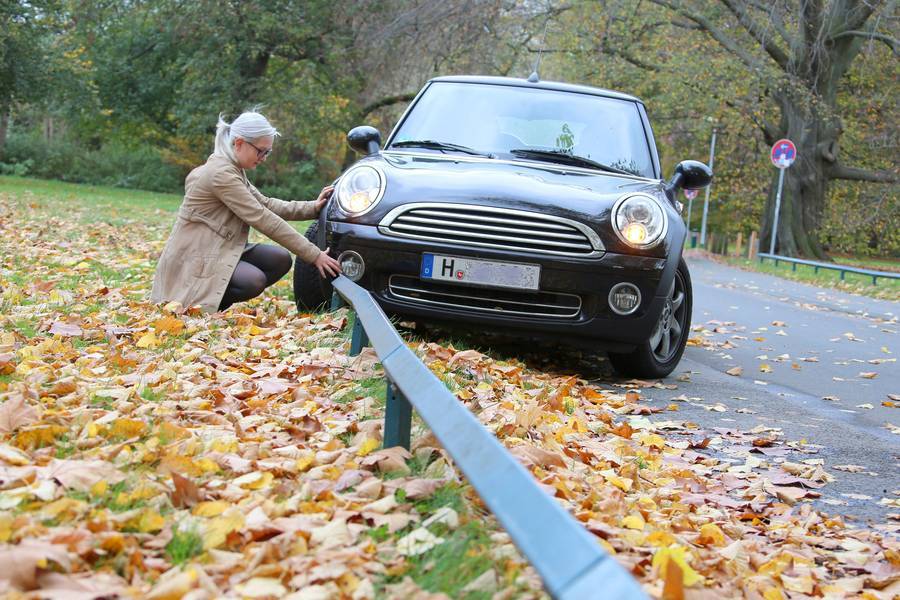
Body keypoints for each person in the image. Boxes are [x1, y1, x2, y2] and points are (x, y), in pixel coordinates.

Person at [151, 110, 341, 312]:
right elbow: (261, 217)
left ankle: (212, 302)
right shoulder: (221, 174)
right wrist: (314, 254)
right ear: (239, 143)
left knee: (279, 259)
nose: (264, 158)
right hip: (196, 256)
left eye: (267, 152)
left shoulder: (233, 169)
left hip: (221, 247)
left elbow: (265, 204)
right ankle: (200, 306)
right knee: (253, 280)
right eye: (261, 151)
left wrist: (313, 207)